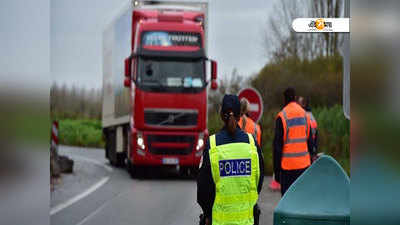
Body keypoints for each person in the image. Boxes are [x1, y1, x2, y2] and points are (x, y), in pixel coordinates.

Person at [197, 94, 264, 225]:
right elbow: (258, 181)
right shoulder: (252, 143)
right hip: (248, 221)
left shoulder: (213, 144)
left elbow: (203, 189)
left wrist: (208, 214)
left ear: (221, 115)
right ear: (240, 116)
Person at [273, 88, 313, 196]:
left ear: (284, 99)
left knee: (287, 201)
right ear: (295, 98)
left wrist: (277, 172)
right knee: (302, 199)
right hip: (304, 166)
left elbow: (277, 147)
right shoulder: (305, 114)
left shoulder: (282, 116)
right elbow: (310, 140)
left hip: (287, 169)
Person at [298, 96, 318, 162]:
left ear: (303, 105)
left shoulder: (304, 116)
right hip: (312, 149)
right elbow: (316, 136)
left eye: (298, 103)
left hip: (307, 151)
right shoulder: (311, 116)